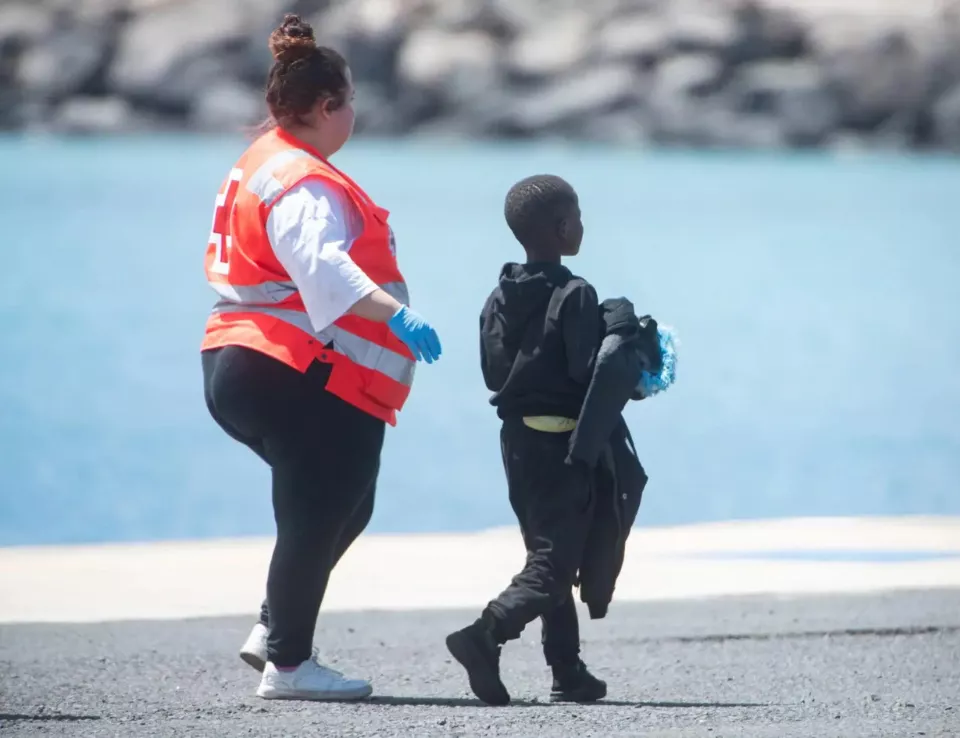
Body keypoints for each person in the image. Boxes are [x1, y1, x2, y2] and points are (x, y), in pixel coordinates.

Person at [200, 13, 441, 701]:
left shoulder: (264, 159)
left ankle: (275, 629)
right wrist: (400, 315)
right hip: (287, 364)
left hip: (235, 361)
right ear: (327, 107)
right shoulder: (304, 182)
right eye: (352, 100)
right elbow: (323, 272)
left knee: (344, 503)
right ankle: (290, 665)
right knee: (317, 507)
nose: (354, 114)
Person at [445, 174, 648, 706]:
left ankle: (567, 670)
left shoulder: (497, 295)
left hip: (517, 444)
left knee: (547, 550)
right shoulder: (576, 292)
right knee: (556, 562)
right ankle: (485, 634)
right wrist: (622, 341)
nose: (582, 225)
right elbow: (587, 372)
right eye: (577, 217)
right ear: (562, 228)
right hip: (564, 448)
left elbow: (494, 374)